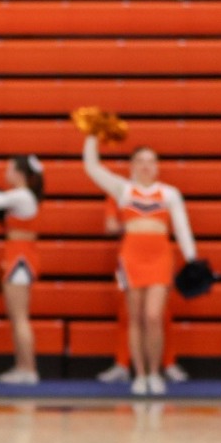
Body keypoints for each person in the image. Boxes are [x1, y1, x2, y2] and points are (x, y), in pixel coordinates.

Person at [84, 136, 197, 396]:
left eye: (151, 161)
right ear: (132, 165)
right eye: (141, 161)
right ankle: (141, 374)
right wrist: (92, 135)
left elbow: (182, 228)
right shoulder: (122, 190)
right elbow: (92, 167)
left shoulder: (170, 193)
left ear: (157, 166)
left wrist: (192, 259)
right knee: (135, 317)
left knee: (154, 316)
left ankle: (156, 373)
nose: (146, 166)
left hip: (160, 256)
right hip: (131, 257)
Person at [0, 156, 45, 384]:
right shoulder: (21, 196)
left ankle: (30, 369)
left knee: (20, 317)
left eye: (9, 168)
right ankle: (22, 366)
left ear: (19, 172)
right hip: (17, 255)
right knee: (16, 318)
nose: (6, 172)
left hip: (21, 257)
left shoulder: (22, 195)